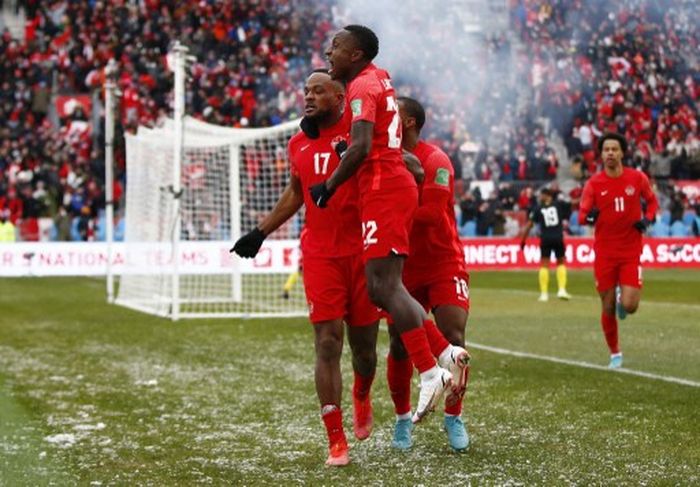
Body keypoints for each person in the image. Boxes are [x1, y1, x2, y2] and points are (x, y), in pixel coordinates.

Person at [314, 25, 467, 424]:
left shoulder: (364, 86)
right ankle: (442, 353)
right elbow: (368, 142)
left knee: (382, 286)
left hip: (383, 188)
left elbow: (365, 147)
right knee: (385, 287)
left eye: (337, 46)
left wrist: (327, 187)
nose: (330, 51)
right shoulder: (376, 80)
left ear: (357, 54)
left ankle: (431, 370)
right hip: (386, 186)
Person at [231, 70, 379, 467]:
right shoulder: (298, 143)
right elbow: (297, 192)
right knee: (328, 342)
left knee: (364, 351)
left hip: (364, 250)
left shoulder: (362, 132)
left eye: (318, 91)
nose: (308, 97)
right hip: (320, 254)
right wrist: (259, 232)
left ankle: (362, 393)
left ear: (339, 97)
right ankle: (336, 439)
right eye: (306, 92)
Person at [385, 96, 472, 452]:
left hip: (443, 261)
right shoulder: (382, 159)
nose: (384, 119)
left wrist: (390, 212)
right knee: (398, 344)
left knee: (454, 338)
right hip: (401, 265)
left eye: (392, 114)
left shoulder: (436, 160)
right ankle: (404, 419)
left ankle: (454, 416)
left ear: (407, 122)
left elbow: (433, 216)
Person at [579, 133, 659, 369]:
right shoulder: (594, 183)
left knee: (631, 305)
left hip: (630, 250)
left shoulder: (637, 178)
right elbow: (583, 214)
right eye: (606, 150)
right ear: (602, 154)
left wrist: (649, 219)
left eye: (615, 149)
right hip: (604, 253)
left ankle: (623, 302)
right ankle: (615, 353)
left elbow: (652, 203)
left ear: (623, 152)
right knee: (607, 306)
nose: (611, 153)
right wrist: (589, 216)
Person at [519, 187, 573, 302]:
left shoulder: (538, 208)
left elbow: (529, 225)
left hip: (546, 238)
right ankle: (562, 290)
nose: (539, 197)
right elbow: (571, 206)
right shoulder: (558, 205)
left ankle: (544, 294)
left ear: (547, 195)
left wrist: (523, 241)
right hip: (558, 237)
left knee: (544, 264)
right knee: (561, 262)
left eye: (541, 195)